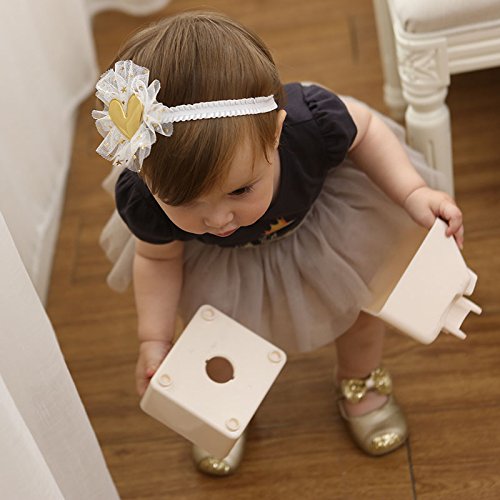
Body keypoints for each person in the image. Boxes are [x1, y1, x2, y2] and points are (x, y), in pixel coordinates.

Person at [93, 11, 464, 476]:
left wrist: (411, 192)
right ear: (145, 176)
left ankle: (360, 378)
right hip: (220, 264)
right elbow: (157, 259)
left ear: (275, 133)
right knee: (216, 331)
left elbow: (366, 130)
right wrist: (155, 337)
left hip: (319, 230)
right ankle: (222, 409)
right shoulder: (145, 200)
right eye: (184, 202)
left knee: (357, 310)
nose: (218, 219)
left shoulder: (311, 124)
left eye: (240, 190)